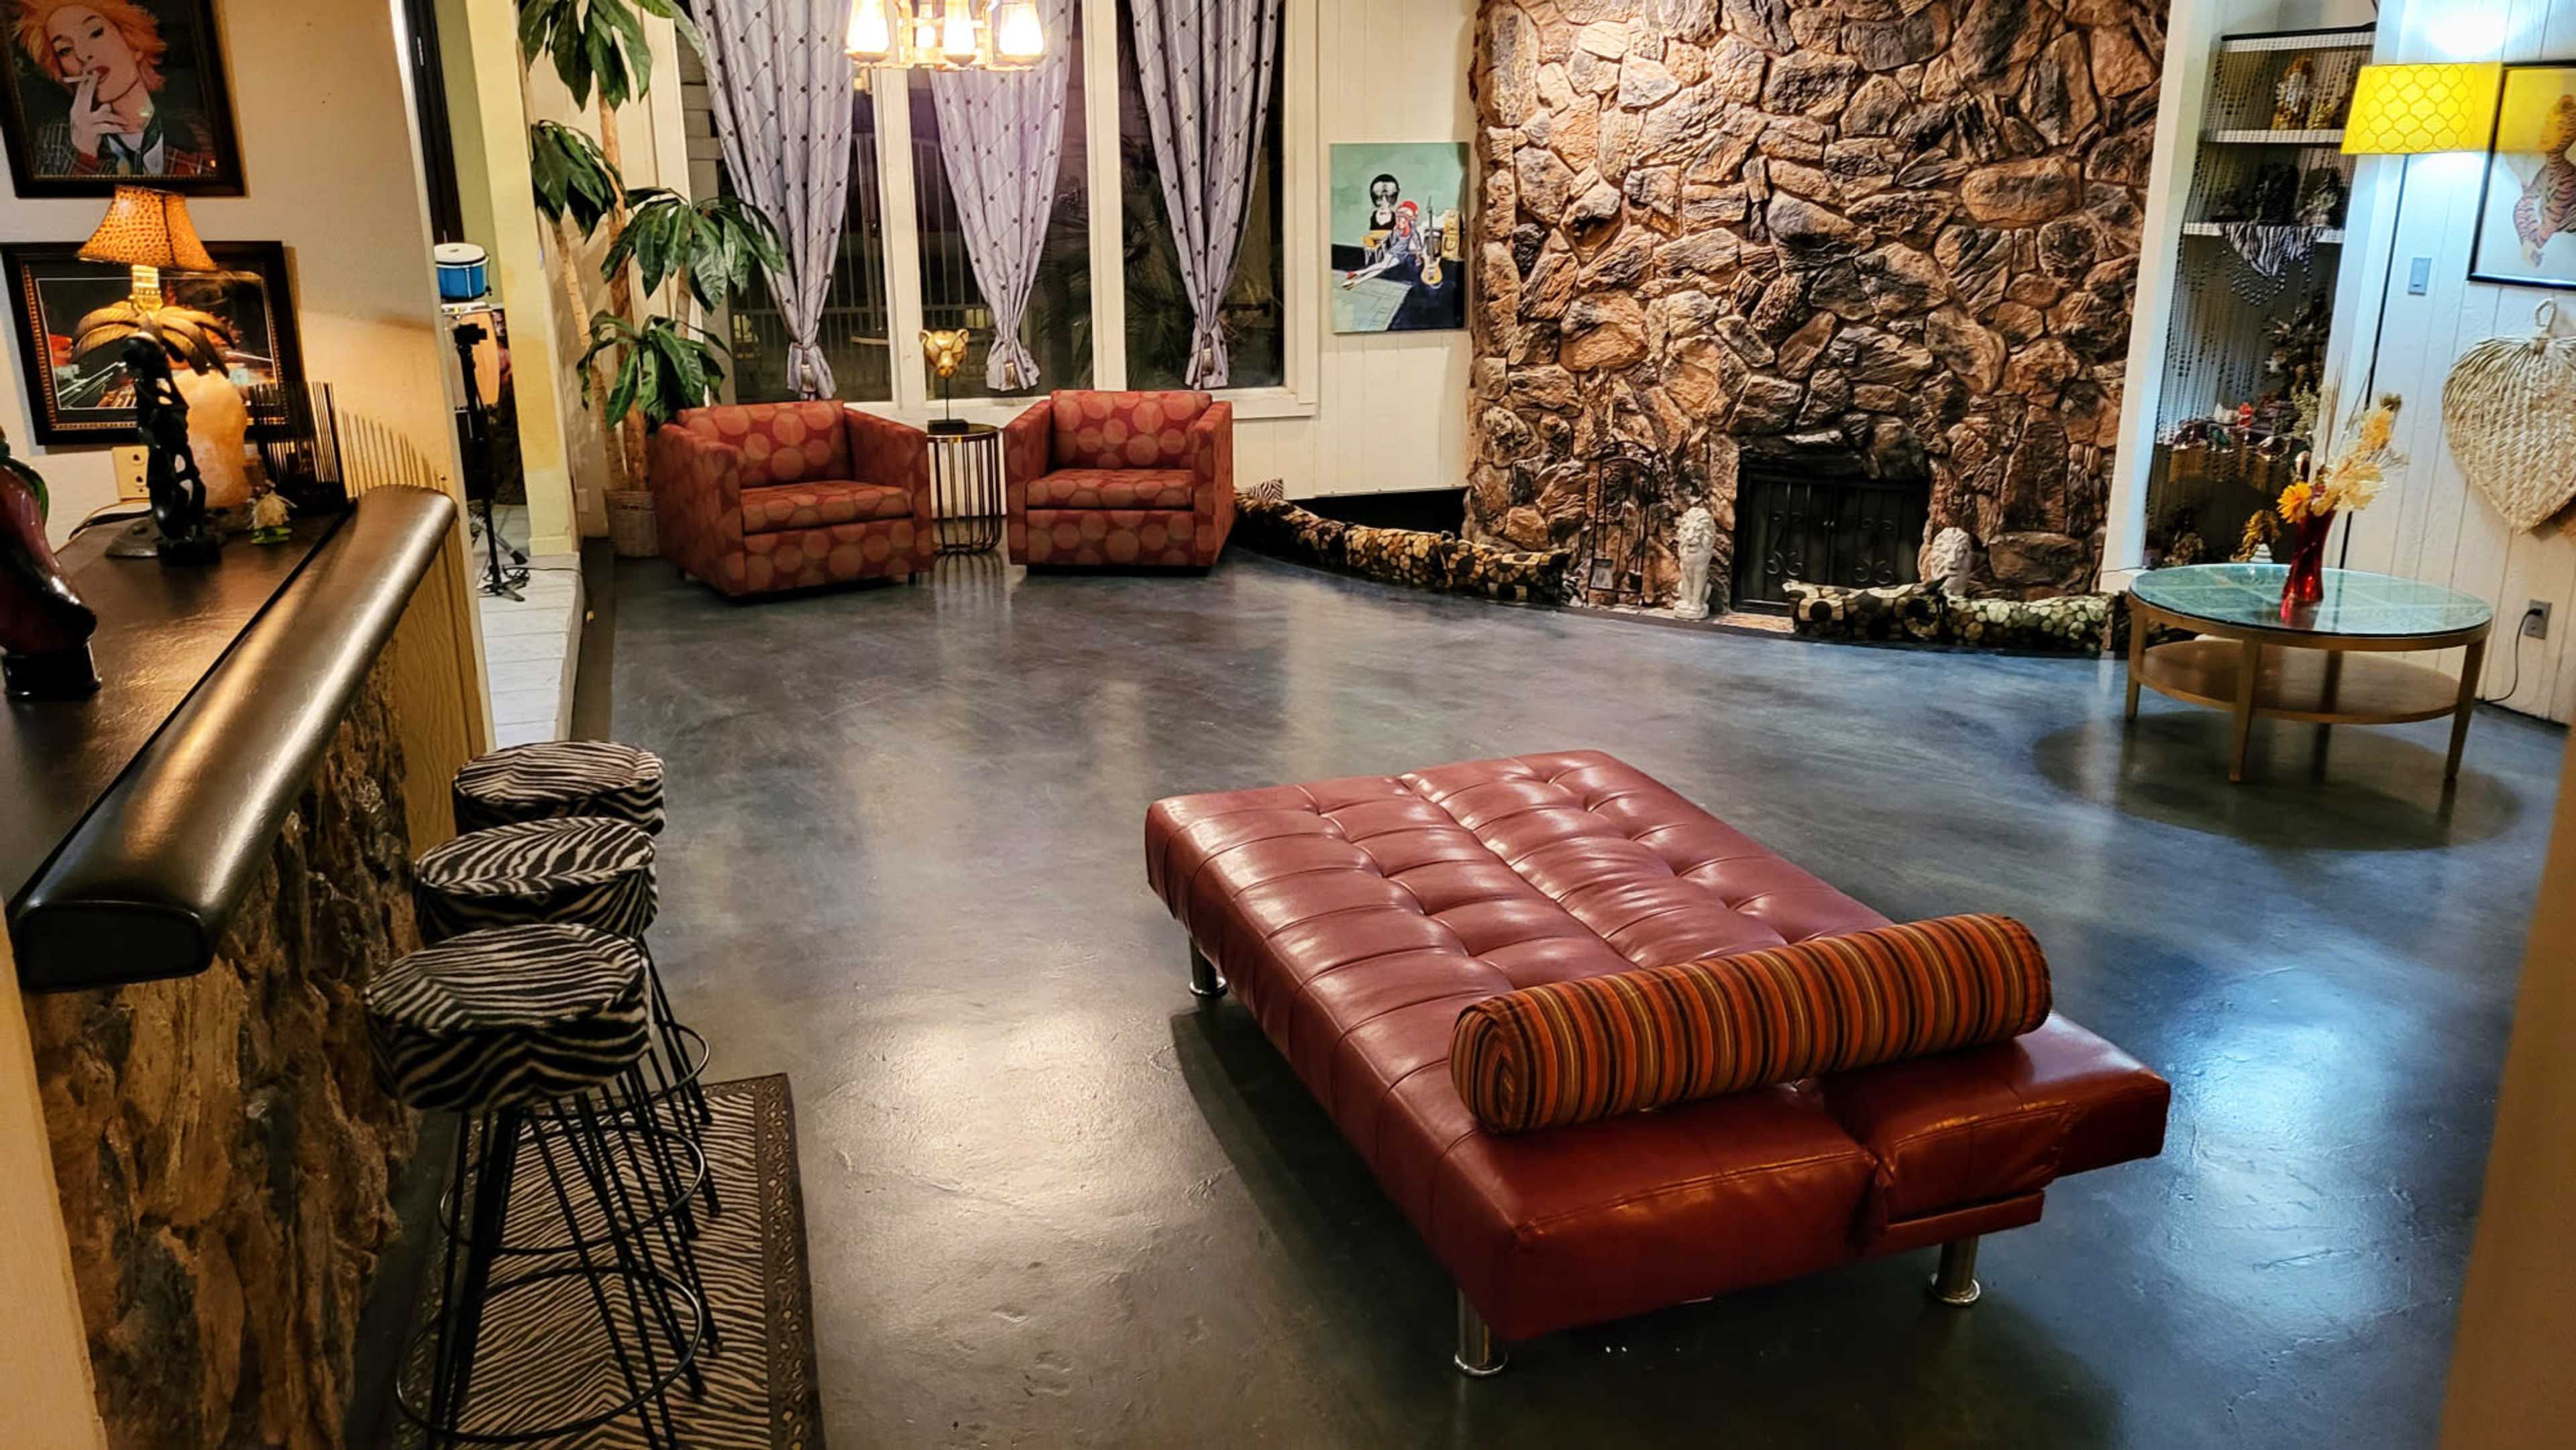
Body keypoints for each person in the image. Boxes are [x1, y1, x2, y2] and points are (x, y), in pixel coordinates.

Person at [11, 0, 217, 178]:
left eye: (96, 33)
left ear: (133, 44)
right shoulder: (54, 141)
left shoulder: (198, 132)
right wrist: (85, 153)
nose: (83, 55)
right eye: (65, 50)